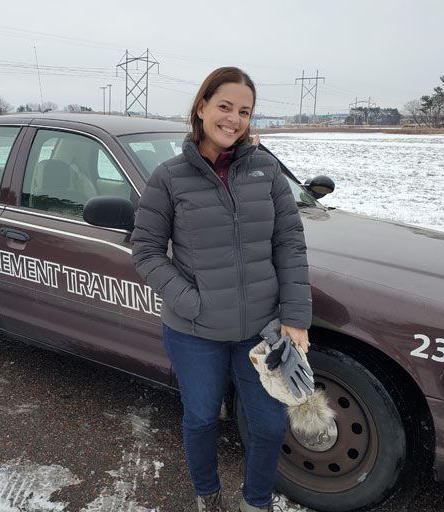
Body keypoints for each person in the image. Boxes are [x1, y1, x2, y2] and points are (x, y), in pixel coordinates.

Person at [131, 67, 312, 512]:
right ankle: (207, 497)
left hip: (262, 331)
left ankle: (255, 504)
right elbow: (147, 251)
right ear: (202, 108)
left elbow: (289, 244)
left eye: (244, 111)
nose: (233, 119)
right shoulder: (169, 177)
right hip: (195, 332)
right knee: (200, 419)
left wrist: (295, 320)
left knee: (270, 425)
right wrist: (193, 302)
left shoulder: (266, 170)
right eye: (225, 107)